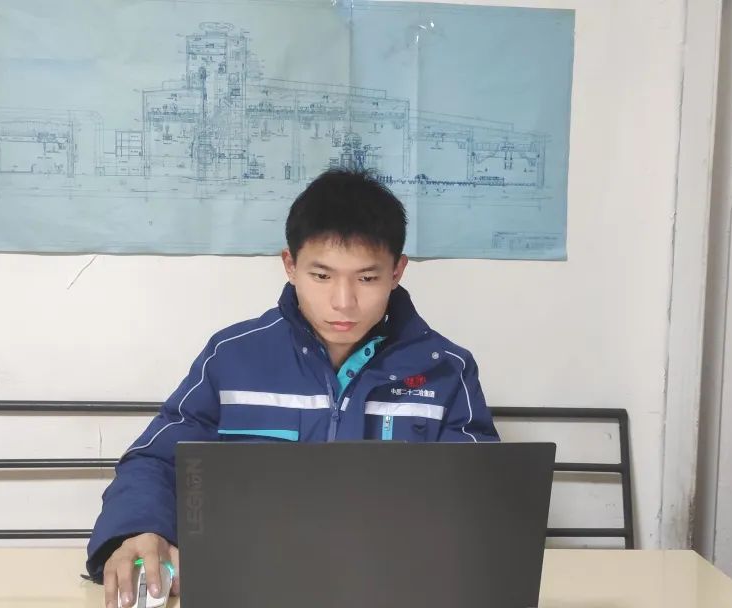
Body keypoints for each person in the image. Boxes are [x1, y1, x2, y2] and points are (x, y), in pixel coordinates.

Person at [88, 168, 499, 608]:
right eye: (322, 276)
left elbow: (482, 496)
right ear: (290, 265)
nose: (343, 302)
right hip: (248, 587)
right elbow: (155, 460)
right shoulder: (232, 357)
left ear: (397, 271)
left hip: (392, 590)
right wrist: (141, 528)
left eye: (366, 278)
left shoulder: (445, 370)